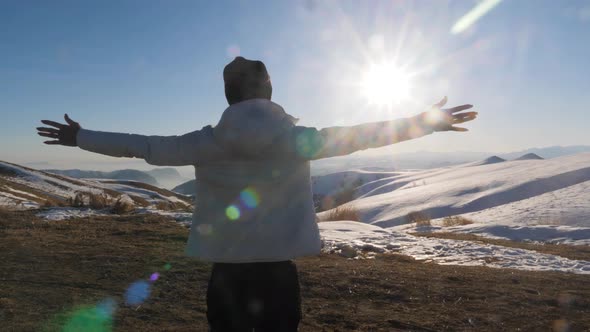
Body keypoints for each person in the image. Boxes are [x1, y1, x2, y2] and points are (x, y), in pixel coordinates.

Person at [37, 56, 477, 331]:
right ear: (268, 90)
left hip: (226, 270)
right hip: (277, 272)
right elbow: (365, 135)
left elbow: (144, 146)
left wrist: (81, 137)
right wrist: (425, 120)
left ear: (228, 95)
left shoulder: (204, 142)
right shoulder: (297, 140)